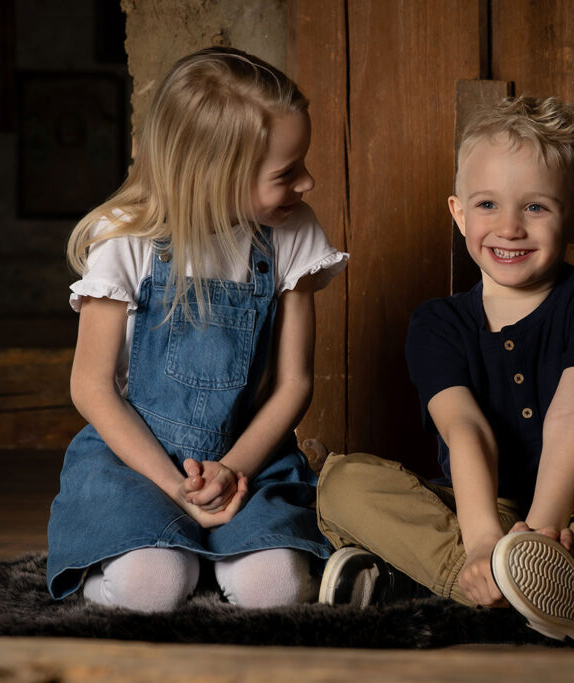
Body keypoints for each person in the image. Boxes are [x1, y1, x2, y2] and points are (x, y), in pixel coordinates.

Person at [315, 96, 574, 649]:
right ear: (458, 213)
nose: (509, 228)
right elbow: (465, 429)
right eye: (487, 205)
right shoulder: (438, 322)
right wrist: (480, 541)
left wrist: (545, 535)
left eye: (536, 208)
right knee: (341, 483)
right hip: (478, 508)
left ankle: (452, 585)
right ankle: (523, 588)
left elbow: (573, 409)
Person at [46, 46, 348, 612]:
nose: (307, 182)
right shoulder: (126, 239)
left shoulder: (291, 234)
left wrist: (233, 471)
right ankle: (134, 565)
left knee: (277, 590)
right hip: (135, 463)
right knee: (152, 587)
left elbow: (294, 385)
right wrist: (173, 486)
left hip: (249, 460)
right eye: (287, 173)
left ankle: (215, 561)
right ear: (217, 176)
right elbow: (91, 387)